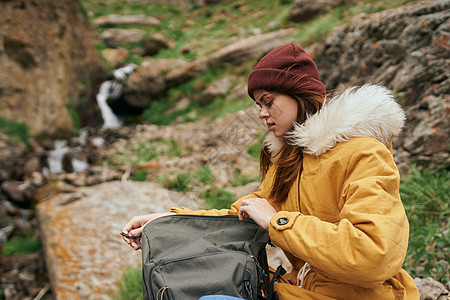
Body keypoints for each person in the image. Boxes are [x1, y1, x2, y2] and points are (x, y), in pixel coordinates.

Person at [122, 43, 420, 299]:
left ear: (298, 95)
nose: (262, 113)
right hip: (299, 292)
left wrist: (277, 221)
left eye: (268, 102)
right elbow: (238, 217)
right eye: (258, 105)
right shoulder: (289, 163)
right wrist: (168, 220)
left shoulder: (363, 153)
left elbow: (373, 255)